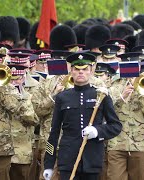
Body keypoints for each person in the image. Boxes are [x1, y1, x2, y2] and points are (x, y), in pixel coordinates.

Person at [43, 52, 122, 180]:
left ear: (91, 71)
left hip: (92, 160)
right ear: (71, 71)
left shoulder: (101, 95)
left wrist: (98, 131)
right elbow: (54, 133)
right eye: (76, 69)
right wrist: (49, 164)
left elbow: (116, 126)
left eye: (85, 69)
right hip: (68, 160)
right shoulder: (62, 97)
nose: (81, 72)